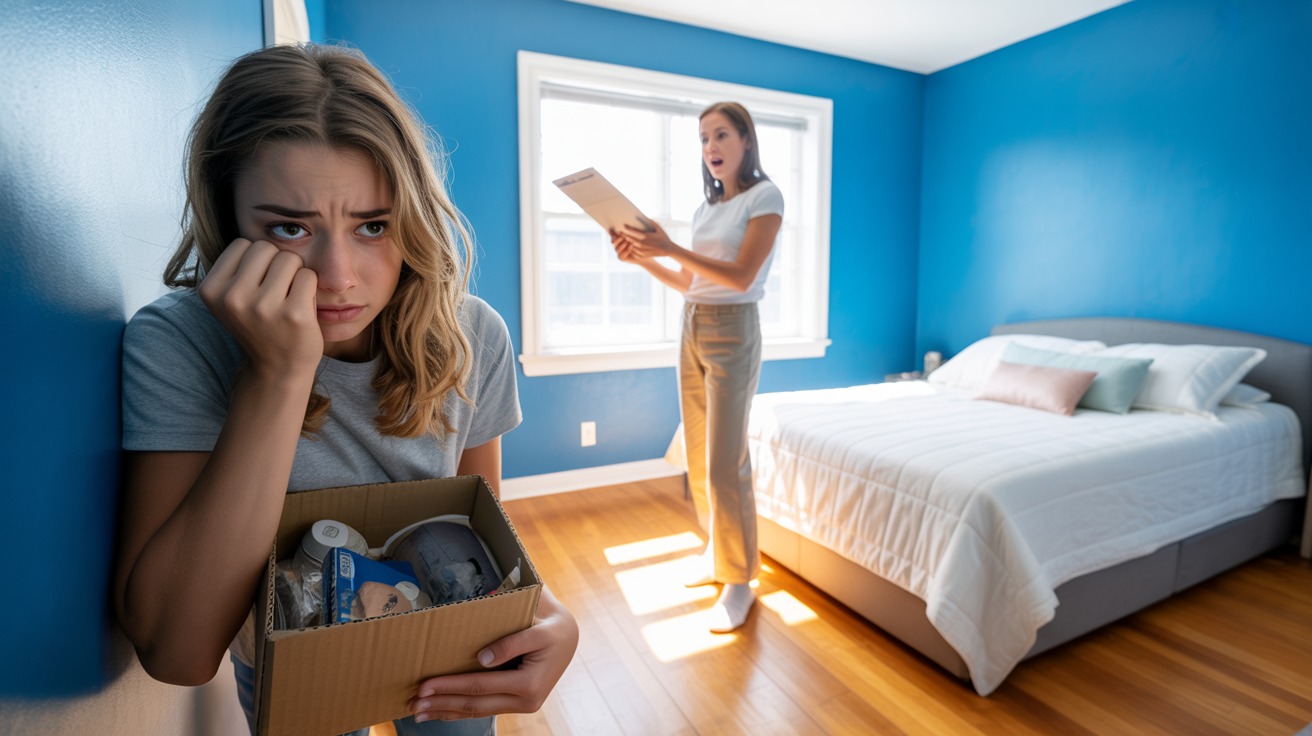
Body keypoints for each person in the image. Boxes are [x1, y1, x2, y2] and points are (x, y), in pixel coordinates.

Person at [113, 43, 578, 735]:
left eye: (373, 226)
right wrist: (277, 375)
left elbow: (480, 537)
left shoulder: (472, 333)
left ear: (412, 219)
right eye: (290, 228)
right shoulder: (178, 344)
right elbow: (176, 654)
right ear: (228, 215)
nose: (337, 276)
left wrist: (553, 620)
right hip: (294, 656)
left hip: (441, 646)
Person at [610, 102, 784, 633]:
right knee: (700, 455)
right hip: (693, 326)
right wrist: (645, 258)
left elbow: (740, 276)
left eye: (721, 135)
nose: (711, 146)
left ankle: (740, 582)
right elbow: (694, 282)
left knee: (726, 462)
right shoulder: (707, 209)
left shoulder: (766, 197)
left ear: (746, 142)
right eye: (704, 138)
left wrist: (670, 245)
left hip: (734, 330)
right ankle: (718, 555)